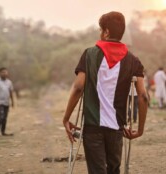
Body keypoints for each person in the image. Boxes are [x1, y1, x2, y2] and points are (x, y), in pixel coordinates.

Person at [62, 11, 148, 174]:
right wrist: (140, 130)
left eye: (101, 30)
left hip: (93, 126)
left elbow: (79, 87)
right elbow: (143, 96)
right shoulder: (133, 60)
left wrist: (66, 118)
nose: (100, 34)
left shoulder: (89, 54)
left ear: (106, 32)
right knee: (113, 169)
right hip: (117, 128)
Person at [0, 67, 14, 136]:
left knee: (5, 118)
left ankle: (3, 132)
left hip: (6, 102)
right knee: (1, 116)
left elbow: (10, 92)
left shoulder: (9, 82)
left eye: (6, 72)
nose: (4, 73)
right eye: (3, 72)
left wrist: (12, 101)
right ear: (0, 73)